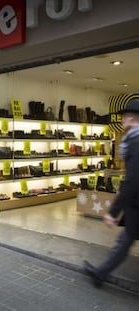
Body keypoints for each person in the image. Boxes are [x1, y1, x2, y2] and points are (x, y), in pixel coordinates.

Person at [83, 98, 139, 288]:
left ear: (131, 118)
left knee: (124, 242)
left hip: (137, 204)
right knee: (124, 241)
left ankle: (100, 274)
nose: (122, 123)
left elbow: (132, 182)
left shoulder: (135, 143)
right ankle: (100, 273)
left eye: (124, 119)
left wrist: (113, 212)